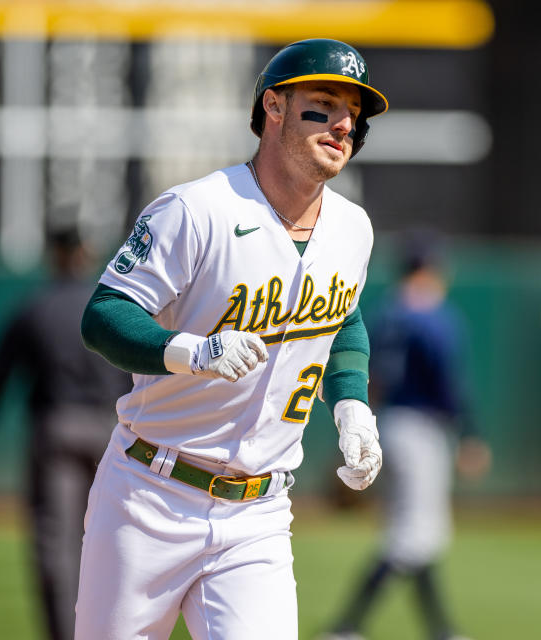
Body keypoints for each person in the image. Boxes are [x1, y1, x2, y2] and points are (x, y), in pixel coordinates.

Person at [75, 38, 386, 639]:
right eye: (324, 103)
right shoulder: (195, 209)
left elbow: (343, 317)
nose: (344, 123)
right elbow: (105, 314)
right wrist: (191, 351)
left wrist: (350, 403)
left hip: (260, 513)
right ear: (274, 107)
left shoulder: (353, 227)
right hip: (150, 495)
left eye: (355, 113)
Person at [0, 228, 133, 640]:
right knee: (113, 540)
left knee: (56, 544)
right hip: (111, 432)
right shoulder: (110, 309)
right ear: (86, 254)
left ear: (54, 255)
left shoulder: (33, 308)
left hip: (56, 430)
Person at [320, 234, 491, 640]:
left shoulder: (384, 316)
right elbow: (451, 384)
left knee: (417, 530)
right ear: (431, 270)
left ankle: (441, 629)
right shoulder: (435, 317)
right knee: (414, 535)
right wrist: (471, 435)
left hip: (387, 426)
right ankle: (346, 627)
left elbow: (371, 377)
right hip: (422, 431)